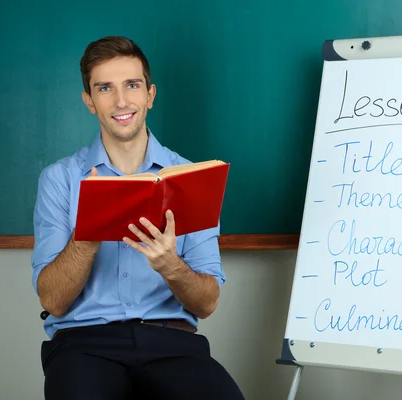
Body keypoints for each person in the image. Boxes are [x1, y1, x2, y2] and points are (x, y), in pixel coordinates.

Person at [31, 36, 245, 400]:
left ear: (150, 95)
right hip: (84, 345)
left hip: (172, 343)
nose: (121, 101)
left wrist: (171, 265)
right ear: (89, 102)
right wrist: (88, 233)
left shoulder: (192, 176)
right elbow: (53, 301)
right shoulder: (60, 179)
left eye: (132, 85)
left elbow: (207, 304)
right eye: (104, 88)